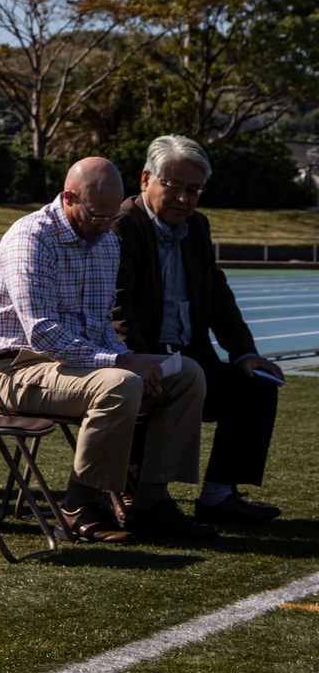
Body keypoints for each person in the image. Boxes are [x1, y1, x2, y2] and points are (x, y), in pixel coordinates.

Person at [0, 157, 216, 544]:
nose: (106, 226)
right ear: (69, 197)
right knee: (120, 383)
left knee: (186, 373)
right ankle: (78, 507)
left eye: (112, 217)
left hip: (74, 365)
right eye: (96, 216)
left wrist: (137, 366)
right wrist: (122, 363)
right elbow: (41, 333)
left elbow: (99, 325)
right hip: (13, 368)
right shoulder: (32, 237)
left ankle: (151, 499)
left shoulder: (105, 239)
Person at [113, 135, 283, 526]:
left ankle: (219, 495)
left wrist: (245, 353)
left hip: (193, 355)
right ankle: (137, 489)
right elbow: (117, 308)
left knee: (256, 386)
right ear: (145, 180)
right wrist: (139, 359)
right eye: (173, 186)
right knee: (147, 385)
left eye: (193, 190)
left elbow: (219, 298)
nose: (184, 199)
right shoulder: (123, 227)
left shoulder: (198, 228)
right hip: (144, 353)